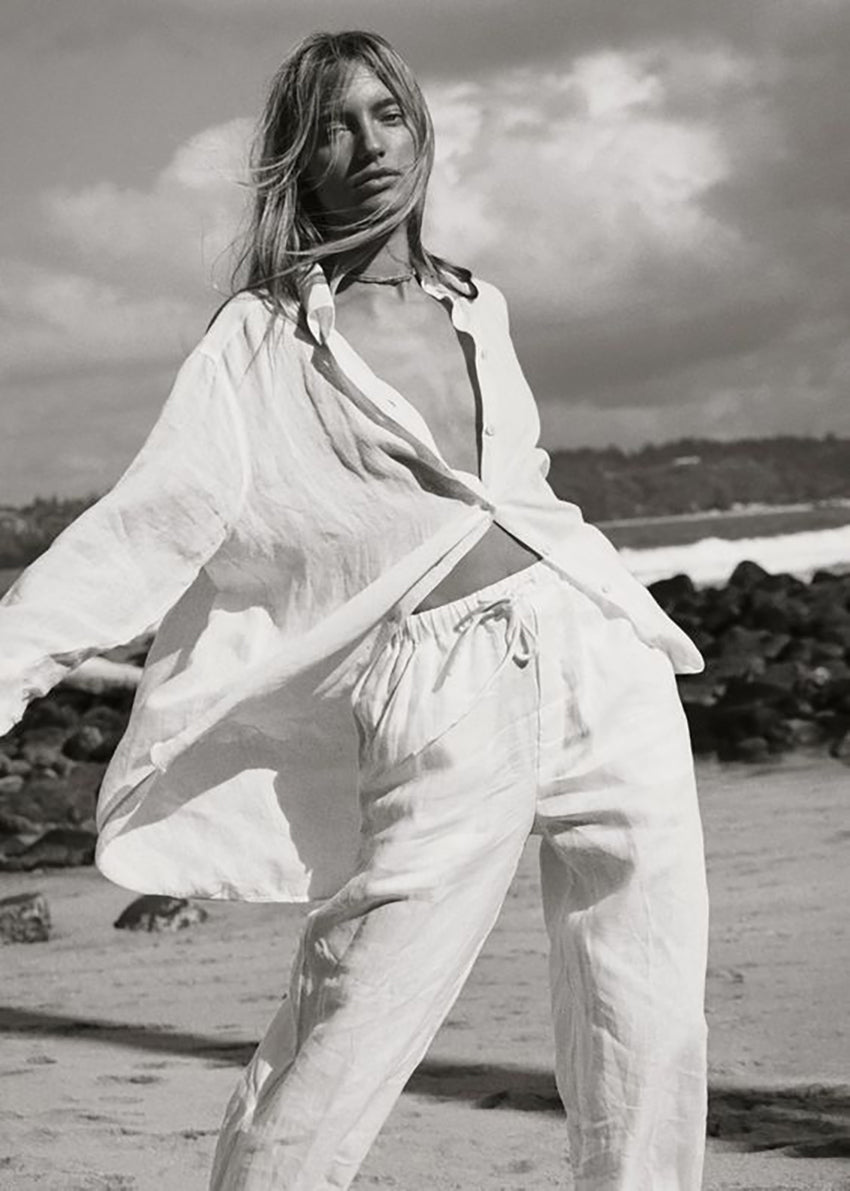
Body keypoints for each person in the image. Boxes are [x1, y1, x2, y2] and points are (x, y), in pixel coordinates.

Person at [0, 29, 709, 1191]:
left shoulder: (482, 304)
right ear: (299, 160)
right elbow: (147, 526)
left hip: (602, 656)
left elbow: (514, 490)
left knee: (647, 1008)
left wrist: (616, 617)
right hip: (442, 691)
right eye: (333, 125)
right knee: (353, 1012)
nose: (366, 143)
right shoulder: (263, 338)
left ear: (420, 130)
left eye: (386, 114)